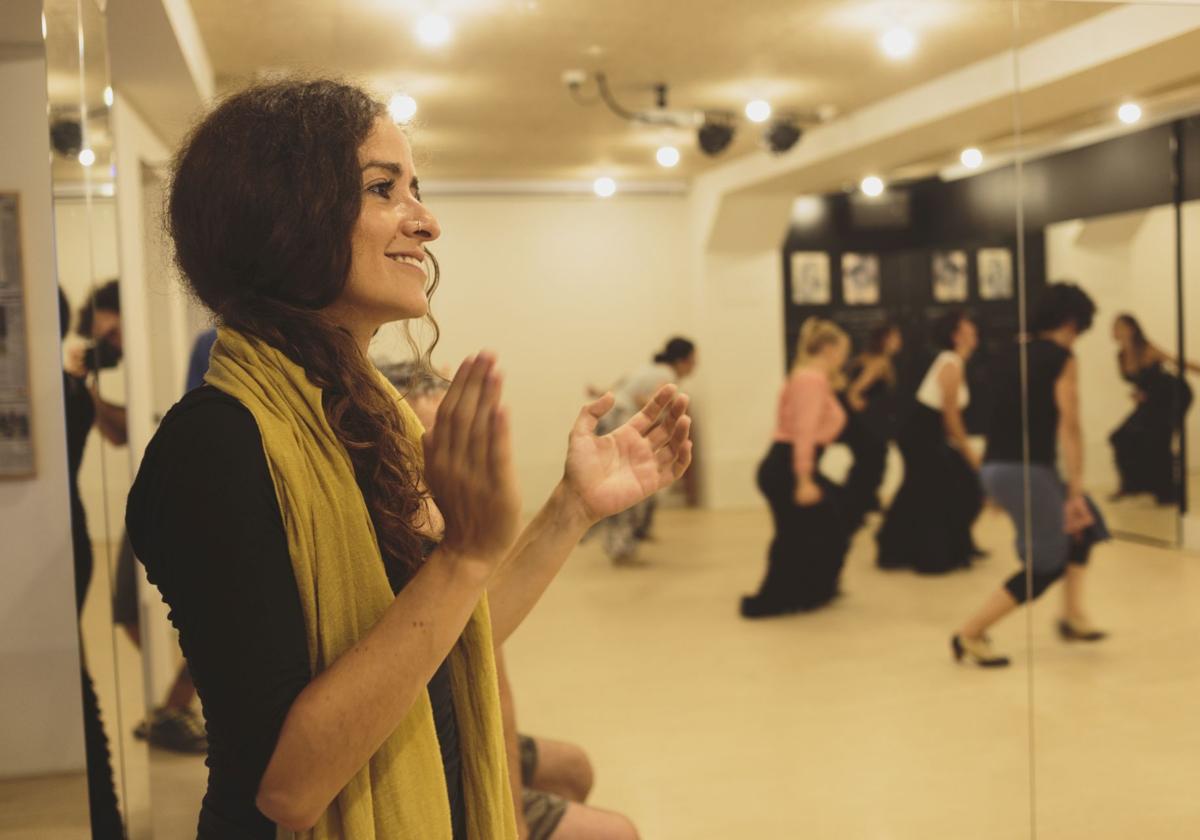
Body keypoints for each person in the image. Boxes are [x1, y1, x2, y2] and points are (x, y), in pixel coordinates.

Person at [125, 78, 690, 839]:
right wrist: (461, 555)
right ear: (285, 216)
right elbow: (286, 791)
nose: (425, 222)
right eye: (383, 188)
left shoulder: (365, 412)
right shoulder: (215, 445)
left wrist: (572, 510)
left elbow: (446, 640)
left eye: (414, 189)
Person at [381, 362, 637, 840]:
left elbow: (484, 662)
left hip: (452, 727)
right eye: (434, 450)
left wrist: (575, 506)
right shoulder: (403, 547)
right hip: (421, 756)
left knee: (573, 769)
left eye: (463, 447)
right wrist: (507, 818)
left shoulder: (449, 535)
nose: (456, 468)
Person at [953, 283, 1109, 667]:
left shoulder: (1011, 353)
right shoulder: (1061, 358)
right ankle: (970, 633)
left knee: (1086, 528)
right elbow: (1069, 426)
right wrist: (1073, 489)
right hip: (1026, 470)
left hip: (998, 467)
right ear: (1073, 322)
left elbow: (997, 415)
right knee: (1048, 564)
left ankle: (1072, 616)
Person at [59, 287, 126, 839]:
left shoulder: (66, 380)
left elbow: (119, 432)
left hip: (67, 535)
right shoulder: (65, 376)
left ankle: (104, 816)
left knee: (76, 678)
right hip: (72, 532)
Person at [741, 318, 852, 618]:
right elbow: (803, 432)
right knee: (800, 531)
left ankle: (810, 590)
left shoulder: (811, 378)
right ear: (828, 349)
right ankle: (779, 598)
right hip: (788, 466)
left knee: (820, 525)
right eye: (842, 351)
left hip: (791, 464)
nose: (844, 359)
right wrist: (804, 479)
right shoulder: (810, 380)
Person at [875, 310, 982, 574]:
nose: (974, 332)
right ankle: (933, 554)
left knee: (926, 487)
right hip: (919, 435)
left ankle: (949, 545)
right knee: (948, 486)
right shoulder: (950, 363)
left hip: (926, 434)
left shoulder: (954, 361)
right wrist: (969, 452)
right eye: (968, 328)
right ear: (956, 335)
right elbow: (950, 416)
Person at [592, 337, 697, 564]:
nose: (694, 367)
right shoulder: (667, 376)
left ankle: (627, 540)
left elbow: (617, 389)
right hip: (620, 423)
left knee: (624, 484)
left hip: (609, 422)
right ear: (681, 360)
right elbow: (650, 402)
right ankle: (621, 549)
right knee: (628, 485)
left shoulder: (648, 369)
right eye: (693, 361)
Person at [1109, 313, 1196, 504]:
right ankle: (1132, 485)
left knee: (1159, 439)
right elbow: (1142, 381)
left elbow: (1176, 362)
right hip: (1152, 401)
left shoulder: (1147, 349)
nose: (1115, 330)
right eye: (1114, 327)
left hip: (1173, 395)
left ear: (1132, 328)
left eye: (1119, 326)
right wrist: (1138, 393)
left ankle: (1166, 492)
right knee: (1121, 436)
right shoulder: (1121, 356)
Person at [841, 320, 902, 515]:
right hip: (871, 424)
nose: (899, 341)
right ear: (885, 340)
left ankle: (864, 501)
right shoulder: (878, 362)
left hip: (865, 423)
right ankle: (860, 502)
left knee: (868, 461)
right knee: (873, 461)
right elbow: (855, 390)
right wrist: (859, 404)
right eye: (895, 337)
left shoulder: (864, 358)